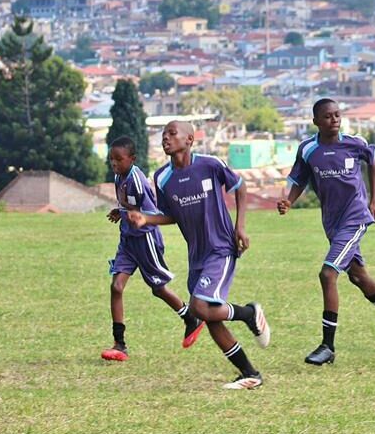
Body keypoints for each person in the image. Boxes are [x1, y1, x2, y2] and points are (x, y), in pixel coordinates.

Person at [127, 121, 271, 390]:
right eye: (163, 135)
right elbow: (170, 214)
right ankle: (250, 373)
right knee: (209, 315)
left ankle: (249, 313)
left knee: (200, 307)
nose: (166, 139)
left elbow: (240, 187)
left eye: (172, 134)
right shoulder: (162, 177)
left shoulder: (210, 164)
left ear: (189, 139)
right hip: (196, 256)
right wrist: (146, 218)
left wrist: (240, 227)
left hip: (221, 248)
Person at [277, 98, 375, 366]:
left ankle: (328, 346)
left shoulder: (354, 143)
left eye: (337, 115)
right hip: (332, 222)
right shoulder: (308, 149)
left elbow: (372, 161)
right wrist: (289, 200)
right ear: (315, 121)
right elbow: (300, 179)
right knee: (358, 277)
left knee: (328, 274)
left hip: (355, 218)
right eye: (327, 116)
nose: (334, 119)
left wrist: (373, 201)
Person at [101, 136, 204, 362]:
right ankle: (119, 344)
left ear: (132, 159)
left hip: (145, 239)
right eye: (111, 159)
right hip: (128, 241)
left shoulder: (138, 181)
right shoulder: (119, 176)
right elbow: (129, 204)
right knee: (116, 287)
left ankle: (190, 318)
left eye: (118, 159)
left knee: (158, 288)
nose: (114, 163)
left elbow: (151, 213)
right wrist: (120, 211)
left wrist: (136, 217)